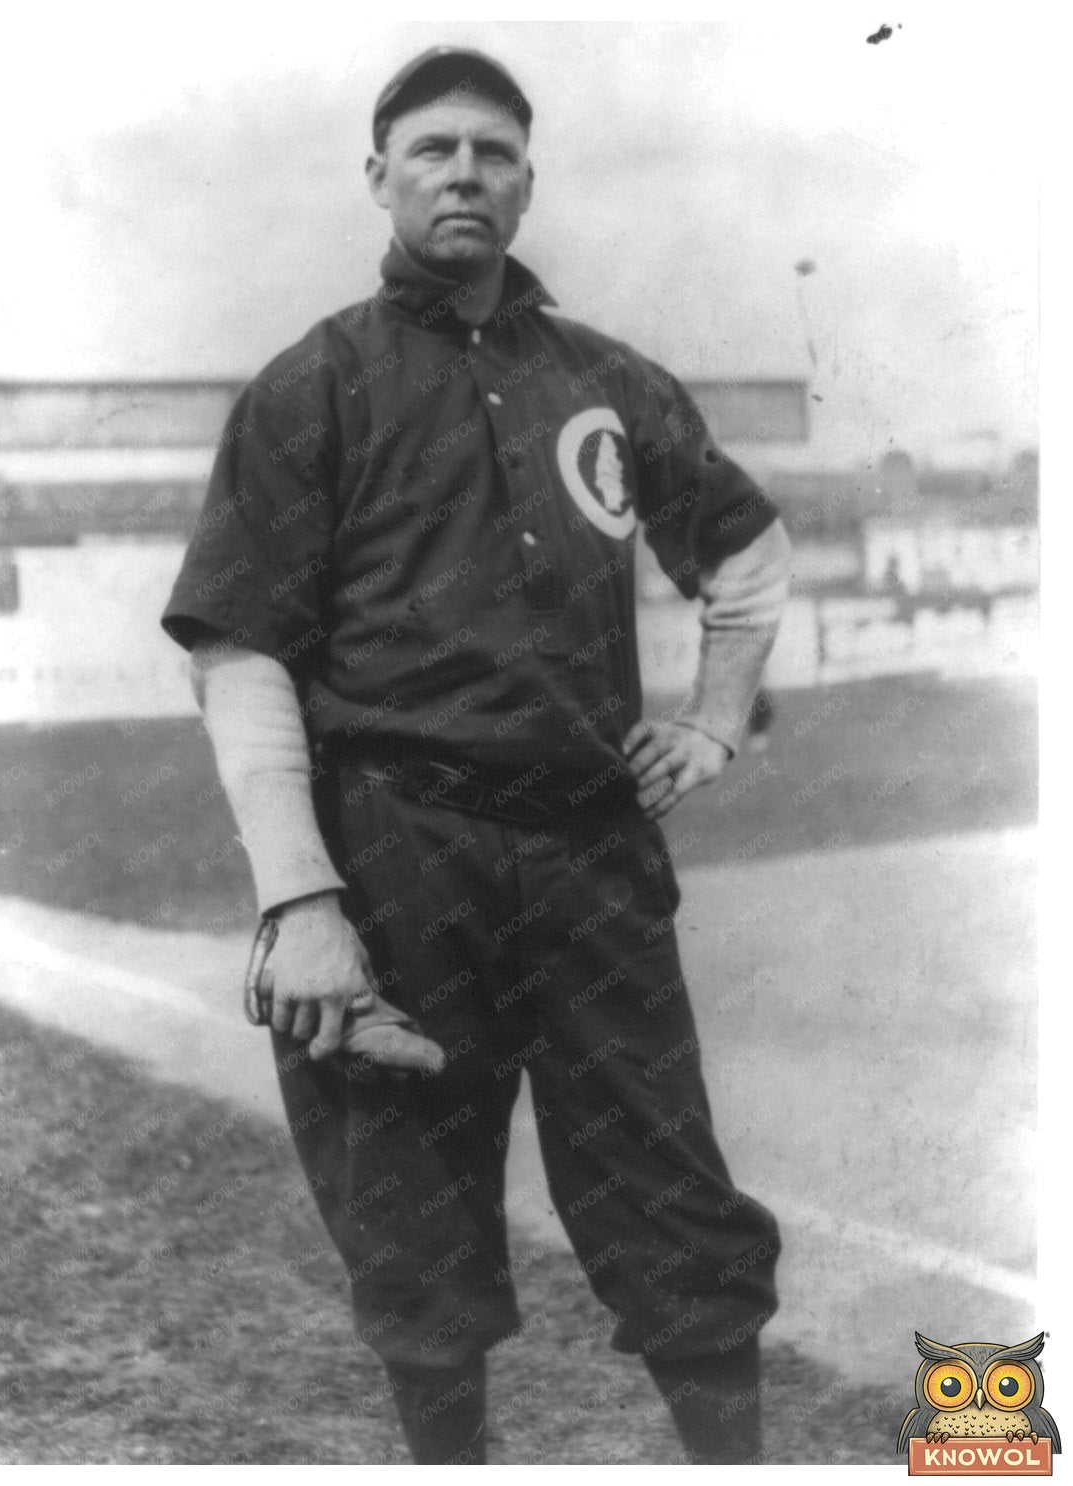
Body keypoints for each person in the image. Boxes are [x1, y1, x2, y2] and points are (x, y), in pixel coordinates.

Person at [162, 45, 792, 1466]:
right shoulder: (310, 383)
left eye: (493, 153)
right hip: (394, 854)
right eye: (433, 148)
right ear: (376, 175)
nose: (464, 173)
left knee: (675, 1209)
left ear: (526, 182)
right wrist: (298, 898)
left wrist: (708, 721)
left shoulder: (606, 378)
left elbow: (746, 550)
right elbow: (241, 648)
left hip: (590, 856)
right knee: (414, 1236)